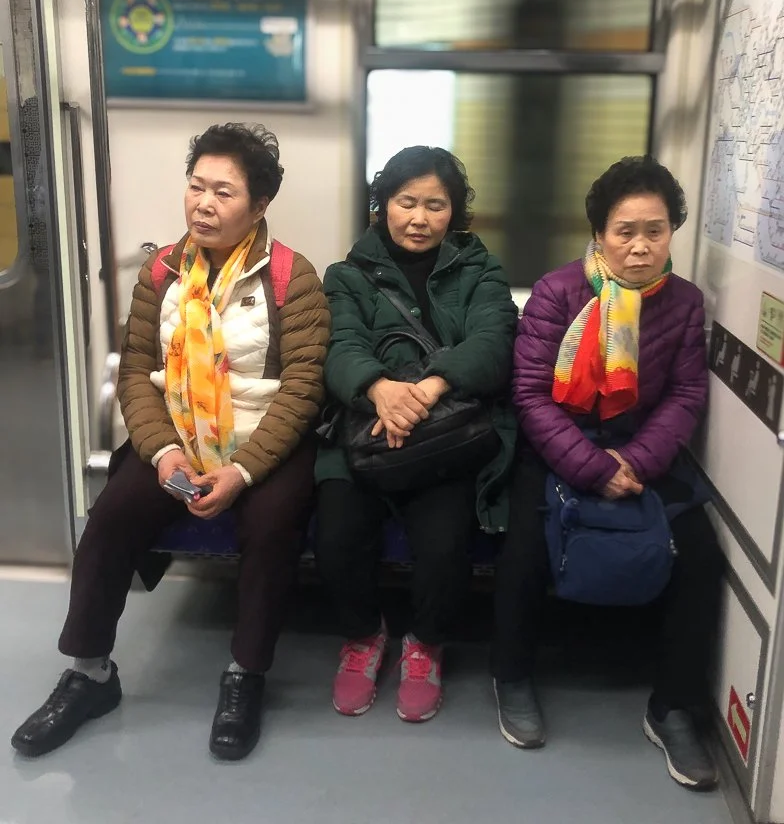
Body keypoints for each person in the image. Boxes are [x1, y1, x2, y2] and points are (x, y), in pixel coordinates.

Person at [11, 123, 329, 761]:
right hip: (178, 439)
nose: (204, 204)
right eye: (196, 187)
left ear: (260, 205)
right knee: (108, 519)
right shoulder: (162, 273)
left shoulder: (292, 277)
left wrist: (241, 470)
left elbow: (304, 388)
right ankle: (90, 673)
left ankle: (245, 674)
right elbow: (135, 371)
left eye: (224, 192)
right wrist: (163, 453)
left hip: (262, 444)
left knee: (272, 528)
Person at [492, 156, 723, 791]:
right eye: (625, 231)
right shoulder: (559, 292)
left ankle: (673, 706)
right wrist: (592, 468)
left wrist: (638, 461)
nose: (641, 246)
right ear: (599, 234)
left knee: (701, 557)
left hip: (643, 448)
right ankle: (511, 676)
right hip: (562, 444)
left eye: (655, 229)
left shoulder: (684, 303)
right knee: (524, 551)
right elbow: (533, 397)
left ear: (673, 230)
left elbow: (684, 396)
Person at [315, 146, 517, 723]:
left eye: (435, 204)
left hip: (447, 433)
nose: (419, 218)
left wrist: (424, 392)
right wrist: (380, 390)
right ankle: (362, 638)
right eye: (407, 202)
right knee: (336, 535)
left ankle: (425, 645)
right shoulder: (347, 275)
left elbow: (494, 342)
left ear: (454, 212)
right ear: (383, 206)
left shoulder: (480, 268)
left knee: (445, 544)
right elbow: (340, 347)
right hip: (361, 428)